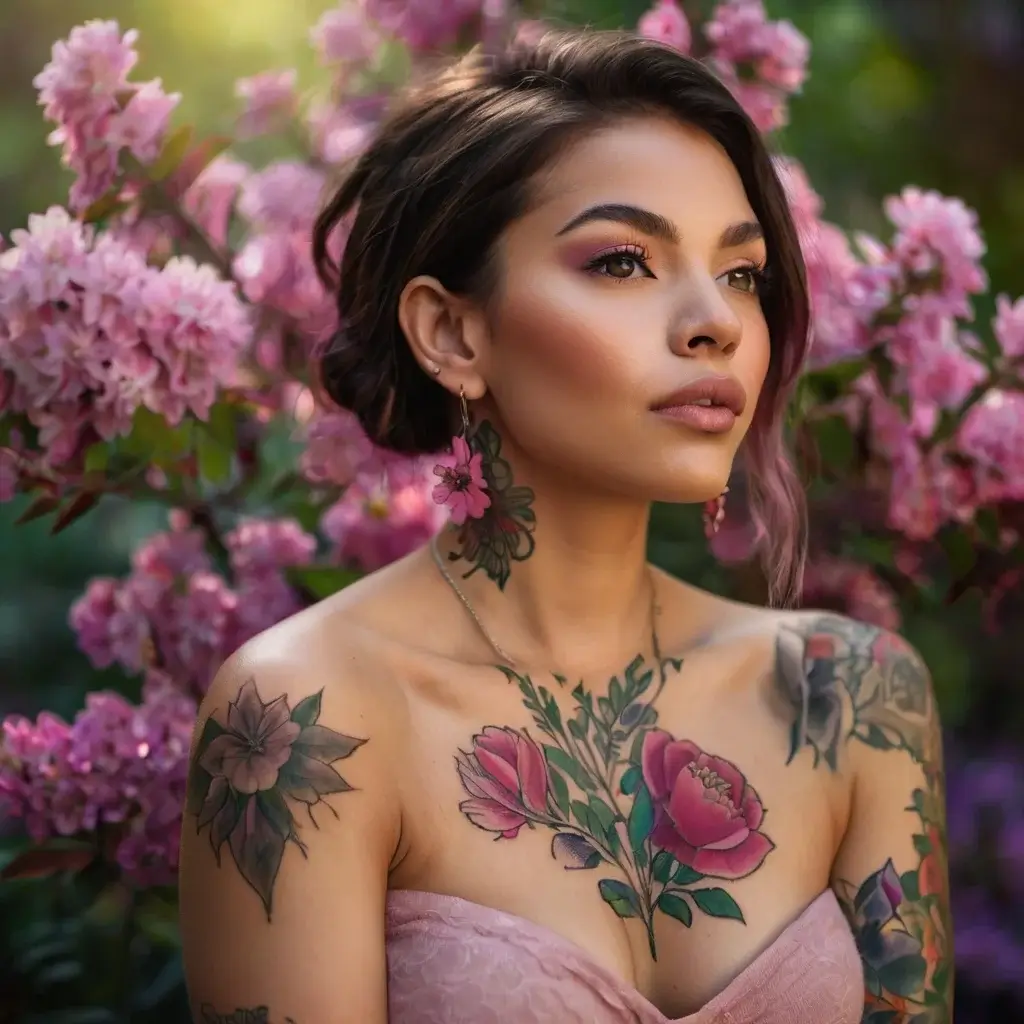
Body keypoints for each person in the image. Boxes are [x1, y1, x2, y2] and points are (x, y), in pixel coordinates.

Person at [178, 28, 952, 1024]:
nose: (712, 321)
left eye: (741, 273)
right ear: (452, 333)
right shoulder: (307, 720)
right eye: (625, 261)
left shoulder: (851, 699)